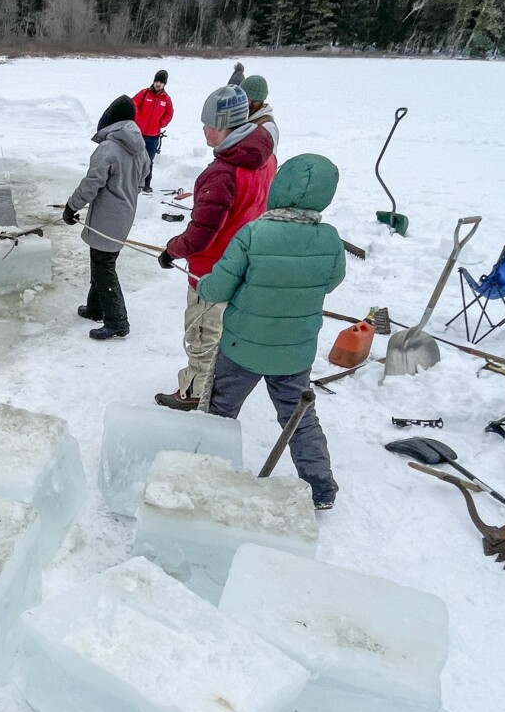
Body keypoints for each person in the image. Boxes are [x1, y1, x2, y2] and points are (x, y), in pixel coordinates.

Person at [197, 153, 347, 510]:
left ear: (279, 187)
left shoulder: (254, 233)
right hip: (294, 353)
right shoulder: (329, 240)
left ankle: (203, 468)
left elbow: (219, 288)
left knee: (220, 411)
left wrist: (204, 285)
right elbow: (333, 281)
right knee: (299, 416)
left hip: (240, 349)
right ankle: (320, 486)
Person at [154, 85, 276, 411]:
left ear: (223, 126)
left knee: (202, 332)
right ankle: (214, 383)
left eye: (208, 124)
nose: (204, 129)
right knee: (222, 330)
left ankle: (195, 393)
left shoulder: (223, 174)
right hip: (243, 263)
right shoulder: (266, 158)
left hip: (212, 271)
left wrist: (172, 250)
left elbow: (201, 234)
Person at [64, 95, 149, 341]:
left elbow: (91, 184)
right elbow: (143, 180)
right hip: (125, 213)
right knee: (100, 259)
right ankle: (96, 308)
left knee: (104, 266)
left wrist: (72, 206)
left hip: (108, 216)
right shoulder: (140, 147)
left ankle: (117, 321)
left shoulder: (108, 148)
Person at [132, 69, 174, 194]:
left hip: (153, 136)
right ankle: (131, 181)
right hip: (138, 133)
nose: (158, 84)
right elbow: (133, 103)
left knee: (148, 160)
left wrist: (161, 123)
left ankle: (146, 184)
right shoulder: (144, 93)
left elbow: (169, 113)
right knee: (134, 158)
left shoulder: (166, 99)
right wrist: (137, 118)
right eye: (156, 81)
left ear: (164, 84)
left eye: (161, 82)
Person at [241, 74, 278, 146]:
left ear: (255, 102)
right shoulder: (248, 118)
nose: (240, 103)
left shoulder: (266, 127)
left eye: (245, 99)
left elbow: (268, 156)